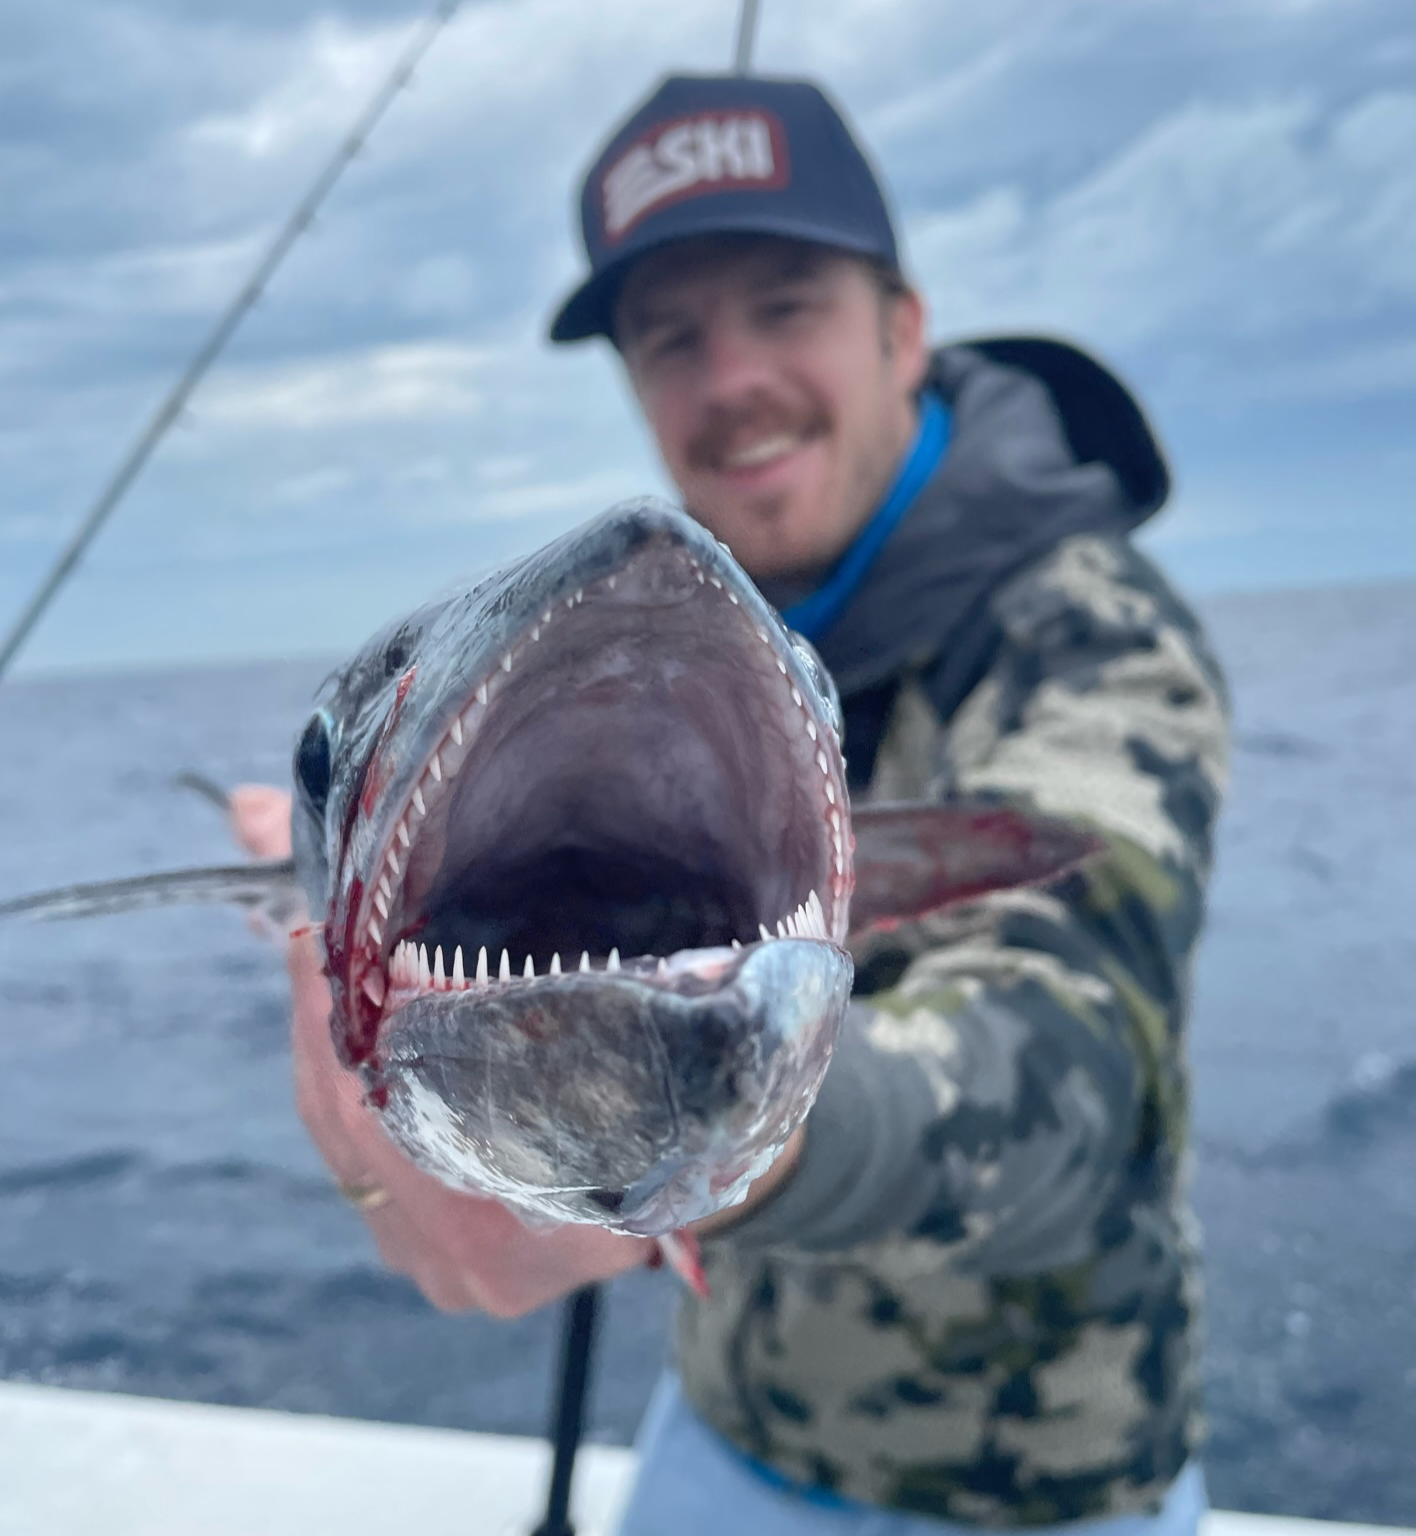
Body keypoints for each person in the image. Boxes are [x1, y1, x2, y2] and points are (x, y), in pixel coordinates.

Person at [234, 73, 1229, 1536]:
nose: (728, 383)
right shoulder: (683, 624)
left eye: (783, 306)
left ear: (903, 329)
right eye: (670, 339)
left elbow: (1072, 1073)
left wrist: (684, 1152)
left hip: (1041, 1491)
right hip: (720, 1432)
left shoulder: (1090, 634)